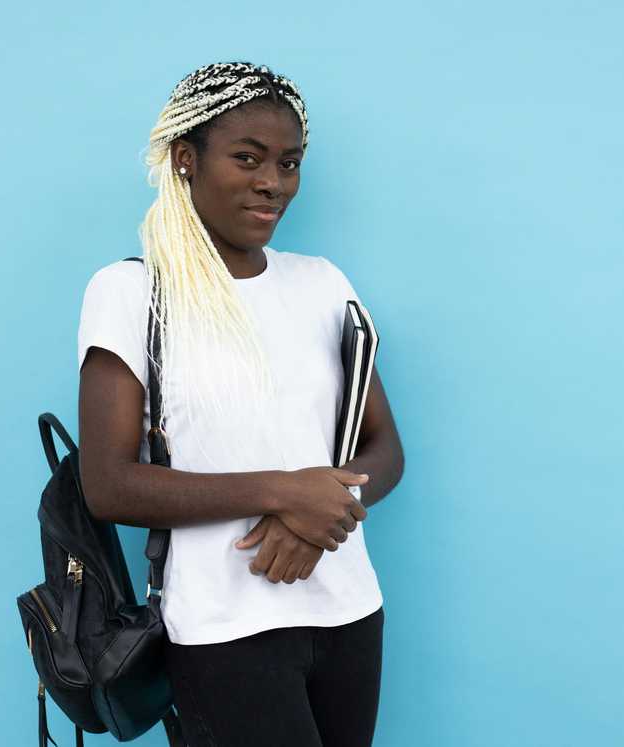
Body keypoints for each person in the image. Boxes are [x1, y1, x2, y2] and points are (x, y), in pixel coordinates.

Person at [76, 61, 405, 747]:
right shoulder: (132, 293)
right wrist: (286, 492)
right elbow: (107, 484)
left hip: (348, 612)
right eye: (248, 159)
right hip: (223, 629)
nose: (272, 182)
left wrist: (317, 520)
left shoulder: (322, 284)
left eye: (289, 163)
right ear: (185, 159)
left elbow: (384, 448)